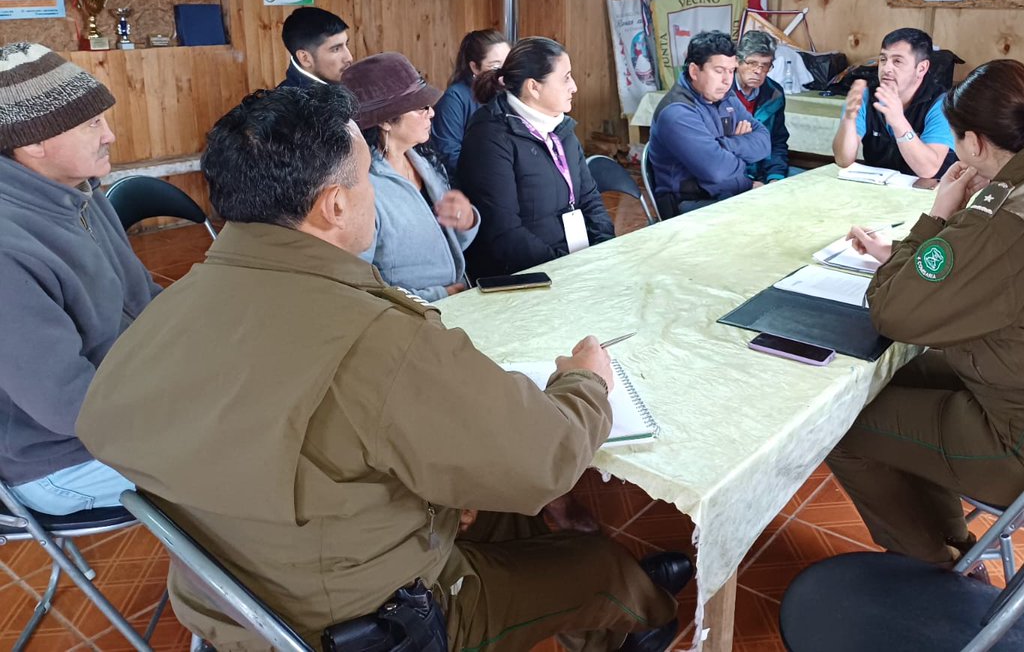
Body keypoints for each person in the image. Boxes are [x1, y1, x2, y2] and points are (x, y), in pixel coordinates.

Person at [76, 84, 689, 652]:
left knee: (504, 510)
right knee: (599, 566)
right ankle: (641, 619)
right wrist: (585, 381)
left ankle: (551, 575)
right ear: (335, 206)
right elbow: (547, 458)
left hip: (235, 598)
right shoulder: (378, 338)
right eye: (370, 179)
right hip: (371, 622)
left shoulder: (170, 306)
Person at [831, 59, 1024, 568]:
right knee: (901, 379)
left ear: (975, 143)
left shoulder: (1009, 217)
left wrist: (938, 214)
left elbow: (891, 312)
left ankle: (936, 563)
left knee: (841, 429)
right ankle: (953, 542)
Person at [0, 42, 159, 514]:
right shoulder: (7, 247)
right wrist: (186, 404)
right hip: (60, 459)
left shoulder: (82, 195)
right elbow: (69, 406)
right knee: (256, 457)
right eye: (91, 122)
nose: (109, 135)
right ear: (33, 142)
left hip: (129, 402)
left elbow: (145, 300)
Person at [457, 37, 614, 278]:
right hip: (528, 276)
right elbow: (505, 232)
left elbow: (589, 198)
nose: (574, 87)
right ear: (533, 87)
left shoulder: (560, 126)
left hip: (574, 264)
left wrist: (604, 248)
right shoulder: (489, 136)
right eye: (566, 78)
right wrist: (565, 269)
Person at [342, 52, 480, 301]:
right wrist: (437, 295)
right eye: (420, 108)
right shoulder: (361, 186)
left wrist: (466, 220)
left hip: (457, 301)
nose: (432, 113)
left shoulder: (422, 160)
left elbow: (446, 248)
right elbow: (360, 285)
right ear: (385, 121)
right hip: (414, 318)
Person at [647, 31, 770, 218]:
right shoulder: (677, 112)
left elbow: (764, 143)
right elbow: (717, 172)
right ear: (694, 71)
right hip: (687, 207)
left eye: (731, 71)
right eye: (719, 71)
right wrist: (746, 181)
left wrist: (725, 144)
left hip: (722, 195)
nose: (727, 80)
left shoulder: (725, 96)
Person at [832, 27, 954, 178]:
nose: (886, 68)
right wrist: (849, 119)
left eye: (897, 61)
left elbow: (928, 170)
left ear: (921, 68)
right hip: (879, 189)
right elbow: (843, 160)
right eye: (883, 59)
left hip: (930, 193)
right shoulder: (866, 95)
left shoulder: (942, 104)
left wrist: (898, 121)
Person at [431, 29, 510, 176]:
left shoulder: (510, 93)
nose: (504, 72)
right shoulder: (455, 98)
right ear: (474, 67)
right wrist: (491, 175)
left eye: (508, 64)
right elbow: (448, 153)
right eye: (495, 66)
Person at [733, 30, 791, 184]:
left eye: (765, 65)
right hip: (732, 176)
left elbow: (777, 142)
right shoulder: (720, 92)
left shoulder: (775, 94)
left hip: (763, 171)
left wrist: (775, 177)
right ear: (737, 61)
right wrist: (746, 183)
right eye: (752, 63)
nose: (758, 71)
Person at [278, 6, 352, 87]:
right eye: (336, 49)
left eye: (346, 44)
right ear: (305, 58)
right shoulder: (283, 99)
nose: (349, 58)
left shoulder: (346, 85)